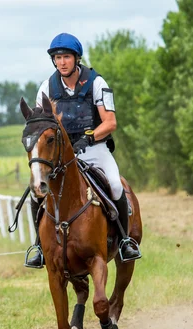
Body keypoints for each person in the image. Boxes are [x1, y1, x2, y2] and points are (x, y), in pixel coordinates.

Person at [25, 32, 141, 269]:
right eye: (57, 58)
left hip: (94, 148)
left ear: (76, 58)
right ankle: (39, 246)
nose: (62, 62)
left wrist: (87, 138)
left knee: (116, 184)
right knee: (37, 190)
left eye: (66, 57)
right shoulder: (46, 87)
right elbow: (40, 123)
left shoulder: (96, 83)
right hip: (59, 154)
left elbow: (110, 122)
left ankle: (124, 240)